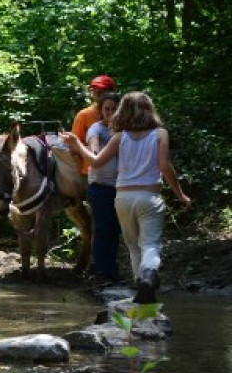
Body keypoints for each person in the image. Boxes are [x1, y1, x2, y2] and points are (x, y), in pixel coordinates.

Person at [61, 92, 191, 304]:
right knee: (150, 245)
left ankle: (142, 289)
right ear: (149, 110)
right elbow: (164, 166)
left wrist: (77, 144)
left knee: (133, 246)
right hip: (149, 196)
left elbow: (95, 162)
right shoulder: (160, 134)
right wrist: (181, 194)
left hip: (122, 197)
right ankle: (148, 276)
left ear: (123, 111)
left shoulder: (119, 137)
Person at [86, 91, 121, 282]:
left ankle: (111, 269)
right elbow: (94, 148)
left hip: (121, 186)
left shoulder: (125, 130)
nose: (110, 112)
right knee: (103, 228)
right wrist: (94, 151)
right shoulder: (96, 129)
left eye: (114, 109)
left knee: (115, 229)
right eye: (106, 109)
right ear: (101, 110)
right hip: (100, 186)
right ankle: (102, 270)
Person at [71, 75, 118, 177]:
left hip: (121, 174)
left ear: (112, 91)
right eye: (94, 91)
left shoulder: (124, 114)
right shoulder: (83, 115)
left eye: (102, 91)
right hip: (92, 174)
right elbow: (73, 148)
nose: (97, 94)